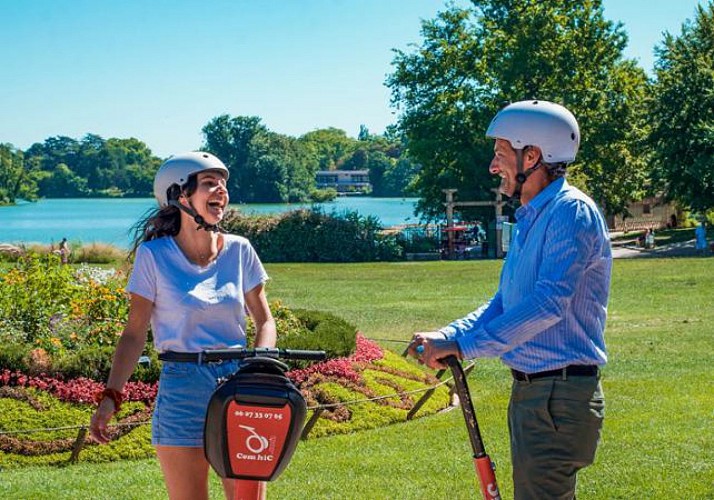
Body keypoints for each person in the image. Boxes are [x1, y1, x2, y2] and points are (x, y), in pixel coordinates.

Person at [409, 100, 611, 499]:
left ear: (532, 156)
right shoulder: (532, 218)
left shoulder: (571, 213)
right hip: (536, 395)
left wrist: (465, 346)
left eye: (500, 154)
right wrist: (449, 334)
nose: (492, 166)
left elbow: (549, 303)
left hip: (557, 398)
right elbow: (504, 303)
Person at [89, 152, 276, 500]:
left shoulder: (241, 250)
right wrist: (111, 396)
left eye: (223, 183)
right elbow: (133, 334)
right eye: (208, 183)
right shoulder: (154, 256)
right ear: (180, 196)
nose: (220, 189)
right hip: (181, 387)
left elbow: (264, 320)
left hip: (240, 384)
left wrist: (261, 367)